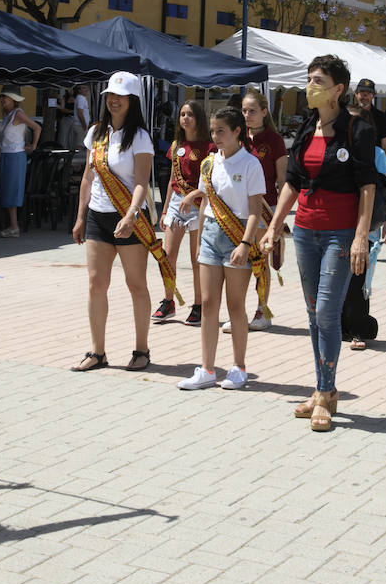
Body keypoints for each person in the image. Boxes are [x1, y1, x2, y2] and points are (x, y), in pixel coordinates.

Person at [261, 54, 376, 432]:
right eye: (309, 79)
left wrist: (361, 236)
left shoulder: (356, 130)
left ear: (338, 90)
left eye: (318, 81)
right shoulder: (308, 127)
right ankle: (323, 390)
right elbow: (292, 181)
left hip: (340, 234)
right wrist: (275, 226)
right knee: (313, 312)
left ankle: (325, 393)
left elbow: (367, 186)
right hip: (306, 232)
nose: (310, 86)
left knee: (327, 311)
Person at [71, 71, 167, 373]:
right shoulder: (96, 132)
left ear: (132, 101)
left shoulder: (140, 137)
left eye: (120, 96)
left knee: (135, 284)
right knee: (96, 284)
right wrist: (80, 217)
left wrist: (131, 214)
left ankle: (141, 349)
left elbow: (142, 182)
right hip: (98, 217)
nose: (114, 101)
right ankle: (97, 352)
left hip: (130, 219)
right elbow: (88, 177)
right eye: (110, 95)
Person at [175, 107, 265, 390]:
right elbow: (206, 205)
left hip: (238, 234)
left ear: (237, 131)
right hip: (212, 234)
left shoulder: (251, 164)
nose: (215, 137)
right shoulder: (209, 163)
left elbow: (254, 211)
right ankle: (208, 369)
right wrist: (201, 238)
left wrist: (245, 243)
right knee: (209, 304)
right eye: (213, 131)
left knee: (235, 305)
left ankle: (239, 367)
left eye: (221, 131)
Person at [223, 88, 287, 334]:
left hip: (264, 208)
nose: (247, 115)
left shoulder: (274, 140)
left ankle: (262, 310)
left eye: (252, 111)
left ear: (264, 112)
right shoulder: (237, 137)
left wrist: (278, 219)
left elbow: (282, 182)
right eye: (244, 111)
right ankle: (237, 313)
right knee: (236, 263)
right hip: (236, 209)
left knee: (259, 260)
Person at [341, 104, 386, 350]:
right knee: (338, 278)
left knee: (358, 279)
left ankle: (358, 329)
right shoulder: (337, 151)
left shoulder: (376, 154)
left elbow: (385, 192)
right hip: (339, 225)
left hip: (367, 227)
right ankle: (340, 327)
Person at [152, 101, 211, 327]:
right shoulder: (177, 145)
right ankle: (169, 302)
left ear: (199, 119)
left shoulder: (209, 147)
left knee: (197, 260)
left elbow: (210, 182)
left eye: (190, 115)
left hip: (198, 205)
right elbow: (171, 181)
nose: (185, 118)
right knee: (167, 257)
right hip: (177, 203)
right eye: (182, 114)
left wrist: (192, 195)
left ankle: (198, 305)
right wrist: (165, 208)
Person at [0, 90, 41, 238]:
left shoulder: (18, 114)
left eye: (5, 98)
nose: (2, 100)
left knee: (12, 190)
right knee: (7, 189)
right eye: (1, 97)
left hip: (15, 156)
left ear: (13, 99)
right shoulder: (7, 115)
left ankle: (14, 226)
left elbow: (36, 127)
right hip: (7, 155)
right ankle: (13, 225)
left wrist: (33, 146)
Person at [353, 78, 386, 152]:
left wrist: (383, 163)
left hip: (373, 161)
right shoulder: (348, 114)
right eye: (362, 92)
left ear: (373, 95)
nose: (365, 95)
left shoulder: (381, 117)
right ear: (356, 93)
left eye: (369, 93)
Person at [72, 84, 91, 150]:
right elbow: (80, 113)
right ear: (79, 90)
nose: (86, 90)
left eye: (86, 88)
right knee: (80, 145)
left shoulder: (79, 98)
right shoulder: (81, 98)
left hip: (79, 124)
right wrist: (84, 125)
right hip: (80, 125)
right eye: (84, 88)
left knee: (79, 144)